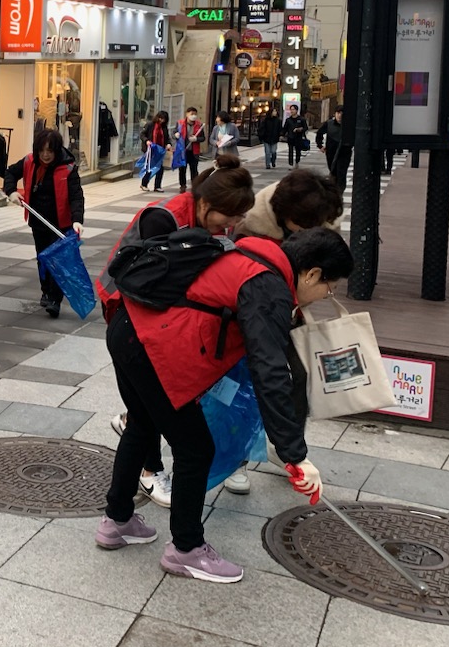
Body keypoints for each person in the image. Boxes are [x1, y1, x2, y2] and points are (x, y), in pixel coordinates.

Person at [98, 228, 352, 583]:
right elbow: (271, 372)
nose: (327, 294)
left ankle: (117, 521)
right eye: (330, 286)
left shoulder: (253, 252)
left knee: (142, 423)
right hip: (151, 346)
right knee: (195, 448)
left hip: (128, 325)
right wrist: (295, 455)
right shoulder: (268, 287)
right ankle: (186, 550)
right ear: (311, 273)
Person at [99, 153, 256, 509]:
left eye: (238, 218)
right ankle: (153, 479)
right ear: (207, 204)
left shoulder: (201, 220)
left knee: (142, 421)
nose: (231, 225)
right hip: (129, 317)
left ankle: (117, 520)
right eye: (228, 217)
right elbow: (153, 287)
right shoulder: (163, 218)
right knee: (176, 436)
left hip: (144, 326)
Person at [220, 167, 345, 494]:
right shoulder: (253, 225)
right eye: (304, 228)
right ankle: (238, 458)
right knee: (249, 380)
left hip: (290, 307)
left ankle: (287, 448)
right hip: (251, 312)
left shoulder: (322, 211)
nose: (312, 233)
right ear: (286, 217)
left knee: (299, 374)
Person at [3, 128, 85, 318]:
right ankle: (46, 291)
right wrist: (11, 191)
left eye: (50, 151)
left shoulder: (68, 167)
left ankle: (55, 300)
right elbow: (10, 173)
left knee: (60, 260)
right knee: (43, 258)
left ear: (57, 150)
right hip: (38, 221)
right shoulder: (29, 162)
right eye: (42, 151)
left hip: (61, 223)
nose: (45, 155)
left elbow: (76, 196)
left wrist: (77, 220)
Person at [315, 107, 350, 189]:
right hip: (331, 152)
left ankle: (340, 191)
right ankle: (334, 191)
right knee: (333, 172)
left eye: (342, 114)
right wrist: (320, 145)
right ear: (335, 114)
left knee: (341, 173)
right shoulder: (329, 124)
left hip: (344, 153)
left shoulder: (348, 125)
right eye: (338, 113)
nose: (340, 116)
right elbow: (319, 133)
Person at [174, 106, 206, 192]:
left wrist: (196, 139)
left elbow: (203, 138)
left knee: (194, 169)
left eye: (195, 114)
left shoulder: (199, 125)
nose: (193, 116)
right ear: (187, 114)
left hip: (194, 151)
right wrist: (175, 135)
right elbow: (174, 132)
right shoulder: (180, 123)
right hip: (183, 151)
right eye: (192, 114)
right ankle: (183, 185)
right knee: (182, 169)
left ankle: (195, 186)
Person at [141, 111, 170, 193]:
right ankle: (144, 184)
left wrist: (168, 144)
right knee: (150, 167)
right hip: (150, 149)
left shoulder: (164, 128)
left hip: (160, 150)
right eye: (160, 118)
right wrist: (146, 141)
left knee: (160, 168)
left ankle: (157, 186)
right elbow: (142, 134)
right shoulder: (150, 125)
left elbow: (167, 138)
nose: (161, 120)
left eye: (163, 119)